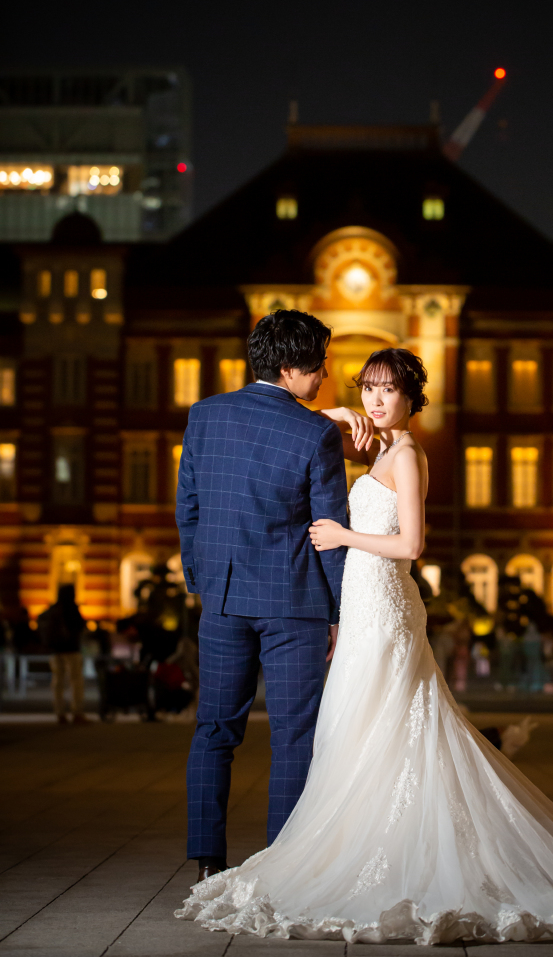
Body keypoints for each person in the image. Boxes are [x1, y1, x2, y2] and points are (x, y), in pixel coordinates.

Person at [177, 348, 553, 944]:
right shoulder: (375, 446)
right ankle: (376, 853)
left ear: (411, 398)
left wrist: (343, 533)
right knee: (362, 735)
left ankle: (389, 860)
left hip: (388, 609)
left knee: (388, 730)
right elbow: (288, 429)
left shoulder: (406, 456)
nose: (377, 400)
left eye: (388, 391)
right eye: (368, 388)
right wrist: (342, 413)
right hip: (364, 609)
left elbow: (413, 545)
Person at [177, 309, 371, 881]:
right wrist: (340, 611)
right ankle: (282, 862)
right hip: (295, 604)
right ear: (291, 369)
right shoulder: (315, 433)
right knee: (293, 735)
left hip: (223, 597)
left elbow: (188, 507)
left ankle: (208, 862)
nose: (326, 377)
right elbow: (328, 530)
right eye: (320, 367)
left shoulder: (205, 415)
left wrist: (202, 580)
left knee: (214, 729)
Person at [37, 584, 89, 725]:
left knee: (57, 682)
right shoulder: (71, 608)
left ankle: (60, 713)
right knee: (75, 681)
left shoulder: (53, 609)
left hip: (55, 651)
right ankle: (77, 712)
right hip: (71, 650)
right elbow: (80, 626)